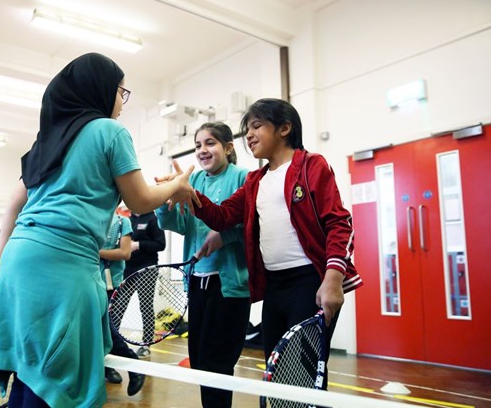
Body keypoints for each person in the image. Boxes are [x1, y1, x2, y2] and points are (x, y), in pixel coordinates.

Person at [0, 52, 197, 408]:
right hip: (61, 264)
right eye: (120, 92)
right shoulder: (109, 131)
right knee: (56, 377)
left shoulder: (47, 140)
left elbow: (14, 204)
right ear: (100, 90)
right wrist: (177, 185)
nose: (122, 103)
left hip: (18, 261)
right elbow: (141, 199)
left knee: (28, 367)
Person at [182, 98, 362, 376]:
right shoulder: (255, 181)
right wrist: (188, 193)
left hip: (309, 283)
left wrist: (333, 279)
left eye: (256, 126)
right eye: (247, 129)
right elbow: (222, 216)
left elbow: (339, 223)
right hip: (275, 288)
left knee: (303, 378)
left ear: (285, 128)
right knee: (277, 376)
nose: (249, 136)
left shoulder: (311, 165)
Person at [155, 121, 250, 408]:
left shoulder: (244, 178)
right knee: (199, 359)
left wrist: (226, 234)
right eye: (198, 145)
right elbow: (181, 223)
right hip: (196, 282)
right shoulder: (192, 182)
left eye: (210, 143)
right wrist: (164, 197)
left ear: (228, 147)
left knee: (218, 362)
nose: (203, 150)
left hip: (230, 287)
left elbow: (253, 226)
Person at [100, 210, 145, 396]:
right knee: (97, 332)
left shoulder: (122, 221)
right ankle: (108, 369)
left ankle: (133, 365)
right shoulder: (90, 215)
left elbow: (125, 253)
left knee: (107, 329)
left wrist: (95, 252)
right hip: (86, 281)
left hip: (111, 285)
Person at [123, 208, 165, 358]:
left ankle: (146, 344)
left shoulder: (153, 219)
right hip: (128, 268)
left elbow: (161, 244)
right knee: (118, 306)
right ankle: (115, 343)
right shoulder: (128, 220)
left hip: (147, 269)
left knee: (145, 306)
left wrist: (139, 245)